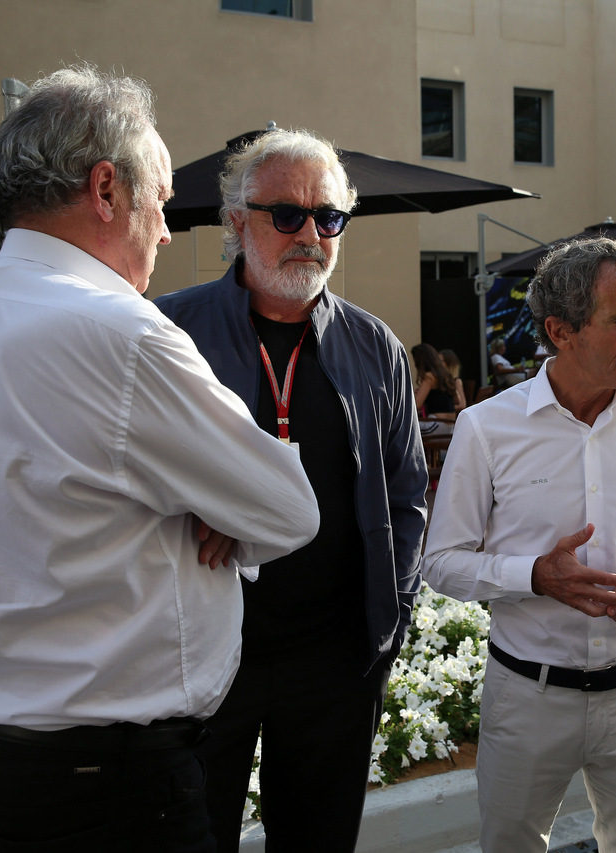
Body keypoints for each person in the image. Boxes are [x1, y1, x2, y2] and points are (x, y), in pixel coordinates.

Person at [0, 66, 320, 853]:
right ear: (105, 190)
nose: (164, 232)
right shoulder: (121, 332)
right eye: (159, 203)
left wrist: (212, 499)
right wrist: (214, 501)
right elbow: (288, 507)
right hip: (103, 790)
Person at [153, 128, 428, 853]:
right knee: (191, 836)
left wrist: (388, 622)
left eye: (328, 216)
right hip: (204, 657)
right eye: (287, 215)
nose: (310, 233)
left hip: (335, 661)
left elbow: (407, 495)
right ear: (237, 221)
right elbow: (130, 477)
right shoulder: (170, 332)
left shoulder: (375, 346)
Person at [423, 237, 616, 853]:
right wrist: (536, 576)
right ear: (561, 330)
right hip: (528, 697)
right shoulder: (486, 428)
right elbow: (441, 563)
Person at [412, 342, 465, 436]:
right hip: (450, 426)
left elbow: (416, 405)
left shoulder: (430, 376)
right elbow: (457, 401)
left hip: (436, 424)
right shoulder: (446, 374)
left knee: (402, 431)